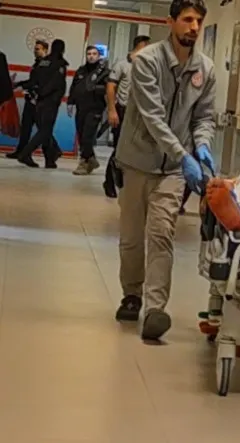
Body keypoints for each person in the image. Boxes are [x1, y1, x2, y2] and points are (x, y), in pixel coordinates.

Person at [114, 0, 217, 341]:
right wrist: (183, 154)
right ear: (170, 22)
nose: (194, 27)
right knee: (132, 237)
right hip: (137, 161)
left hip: (173, 170)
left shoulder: (206, 69)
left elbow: (203, 117)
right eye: (187, 19)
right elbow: (152, 116)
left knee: (161, 234)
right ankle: (132, 294)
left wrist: (202, 146)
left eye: (198, 20)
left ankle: (155, 308)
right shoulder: (147, 61)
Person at [103, 35, 151, 198]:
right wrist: (112, 110)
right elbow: (110, 88)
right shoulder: (122, 65)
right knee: (119, 149)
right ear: (140, 47)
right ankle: (109, 182)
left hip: (140, 114)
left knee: (135, 150)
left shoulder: (147, 67)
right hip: (122, 110)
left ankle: (127, 184)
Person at [15, 39, 68, 168]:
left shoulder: (42, 63)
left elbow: (34, 81)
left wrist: (36, 92)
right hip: (50, 101)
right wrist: (53, 96)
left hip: (39, 100)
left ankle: (50, 159)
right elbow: (57, 83)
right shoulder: (59, 63)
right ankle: (25, 153)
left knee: (45, 131)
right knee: (45, 130)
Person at [68, 46, 109, 176]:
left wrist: (96, 88)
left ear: (98, 56)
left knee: (87, 135)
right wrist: (70, 102)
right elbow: (74, 87)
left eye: (94, 54)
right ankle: (91, 159)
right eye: (89, 54)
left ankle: (84, 162)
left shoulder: (104, 72)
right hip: (81, 107)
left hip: (95, 108)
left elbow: (109, 89)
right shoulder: (81, 70)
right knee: (81, 135)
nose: (91, 56)